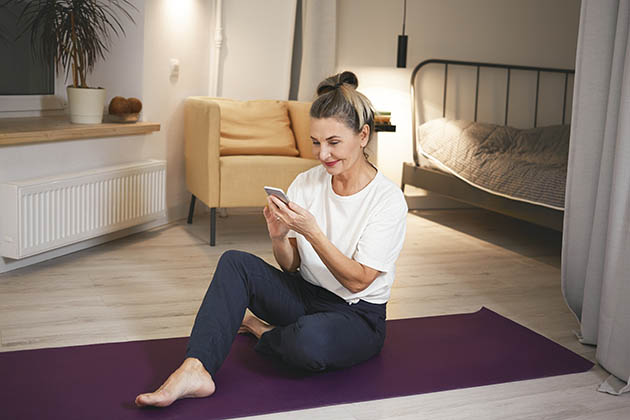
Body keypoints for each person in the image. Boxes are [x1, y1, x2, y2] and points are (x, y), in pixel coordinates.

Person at [135, 71, 408, 408]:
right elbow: (291, 265)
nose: (323, 154)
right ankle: (196, 368)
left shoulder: (387, 199)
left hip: (357, 316)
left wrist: (311, 231)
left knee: (309, 342)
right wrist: (280, 238)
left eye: (334, 142)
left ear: (363, 135)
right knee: (235, 262)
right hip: (307, 295)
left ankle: (262, 331)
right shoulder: (306, 183)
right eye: (316, 142)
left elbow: (358, 281)